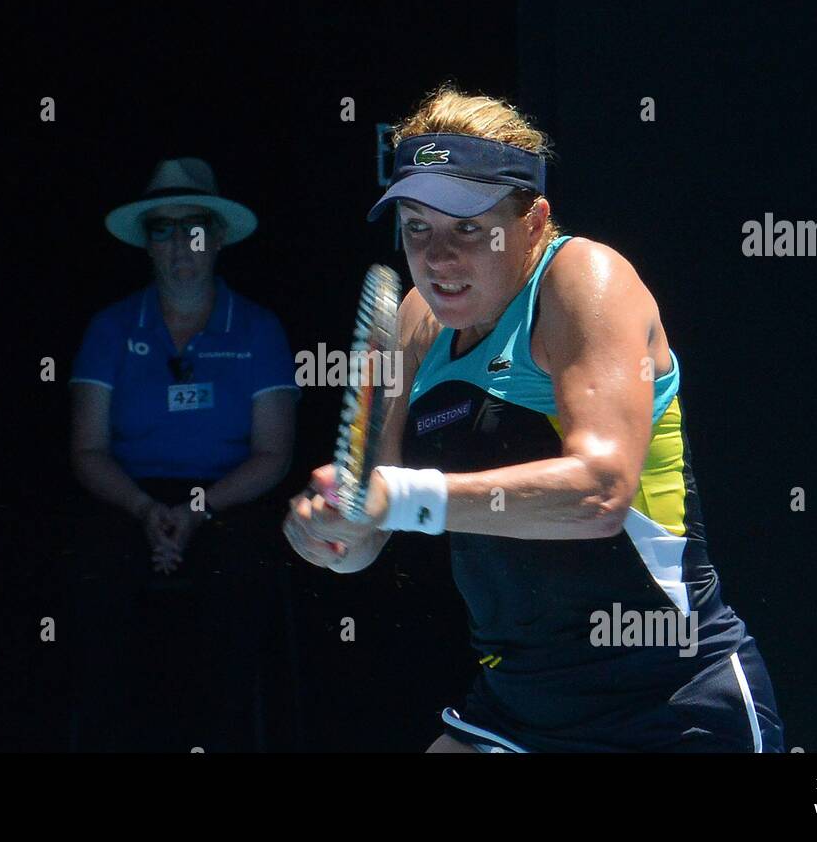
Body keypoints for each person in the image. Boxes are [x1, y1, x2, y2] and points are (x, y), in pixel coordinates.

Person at [283, 88, 785, 753]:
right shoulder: (414, 322)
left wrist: (397, 497)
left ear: (533, 221)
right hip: (516, 708)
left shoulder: (586, 281)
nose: (438, 257)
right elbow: (377, 524)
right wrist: (334, 534)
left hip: (667, 702)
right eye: (417, 227)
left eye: (468, 227)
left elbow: (600, 492)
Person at [69, 157, 298, 751]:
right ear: (146, 243)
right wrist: (148, 511)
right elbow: (89, 449)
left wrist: (197, 510)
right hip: (129, 495)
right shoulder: (109, 328)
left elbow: (273, 454)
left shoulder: (259, 329)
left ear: (218, 237)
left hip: (228, 497)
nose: (179, 245)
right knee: (93, 580)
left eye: (192, 228)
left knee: (242, 582)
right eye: (161, 229)